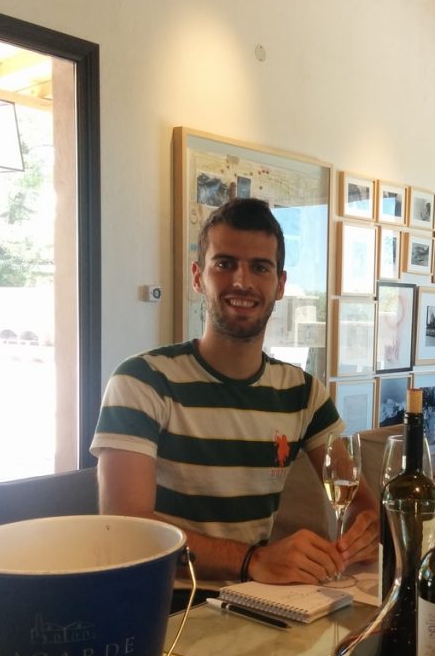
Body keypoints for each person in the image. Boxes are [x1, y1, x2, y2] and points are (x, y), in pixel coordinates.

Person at [91, 198, 378, 585]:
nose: (242, 281)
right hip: (164, 608)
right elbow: (124, 527)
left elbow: (363, 507)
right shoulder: (142, 381)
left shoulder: (303, 394)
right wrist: (253, 560)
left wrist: (364, 538)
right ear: (198, 277)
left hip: (256, 606)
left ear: (280, 285)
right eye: (225, 264)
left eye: (260, 267)